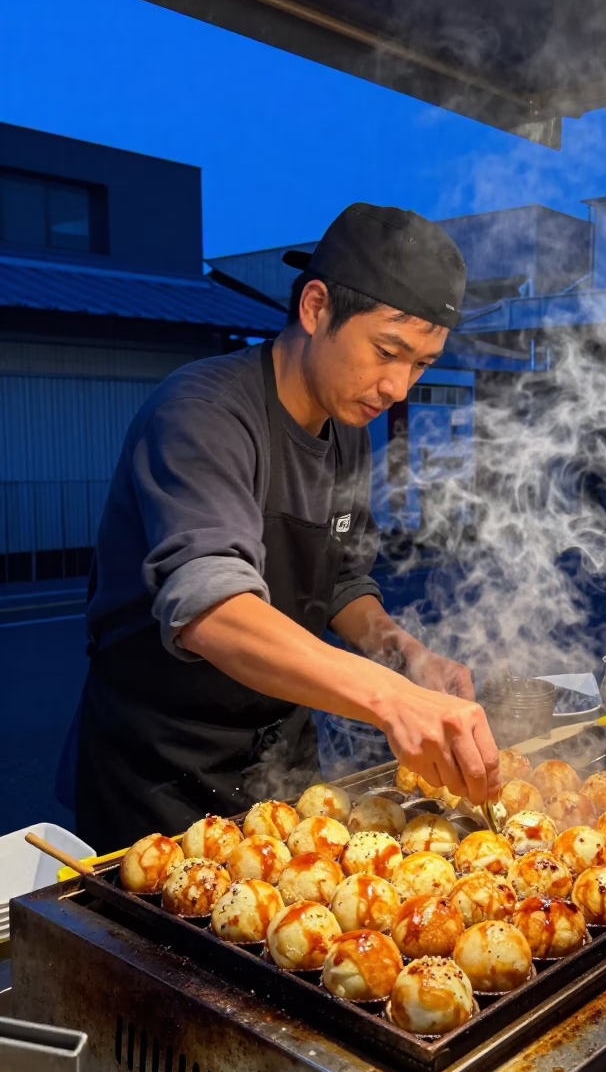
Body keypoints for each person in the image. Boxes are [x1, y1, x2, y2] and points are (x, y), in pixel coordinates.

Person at [70, 204, 499, 851]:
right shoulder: (203, 413)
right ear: (316, 307)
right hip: (160, 766)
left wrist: (407, 657)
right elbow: (210, 608)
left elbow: (342, 581)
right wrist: (391, 698)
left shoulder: (346, 429)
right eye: (388, 351)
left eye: (422, 365)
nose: (398, 387)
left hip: (283, 759)